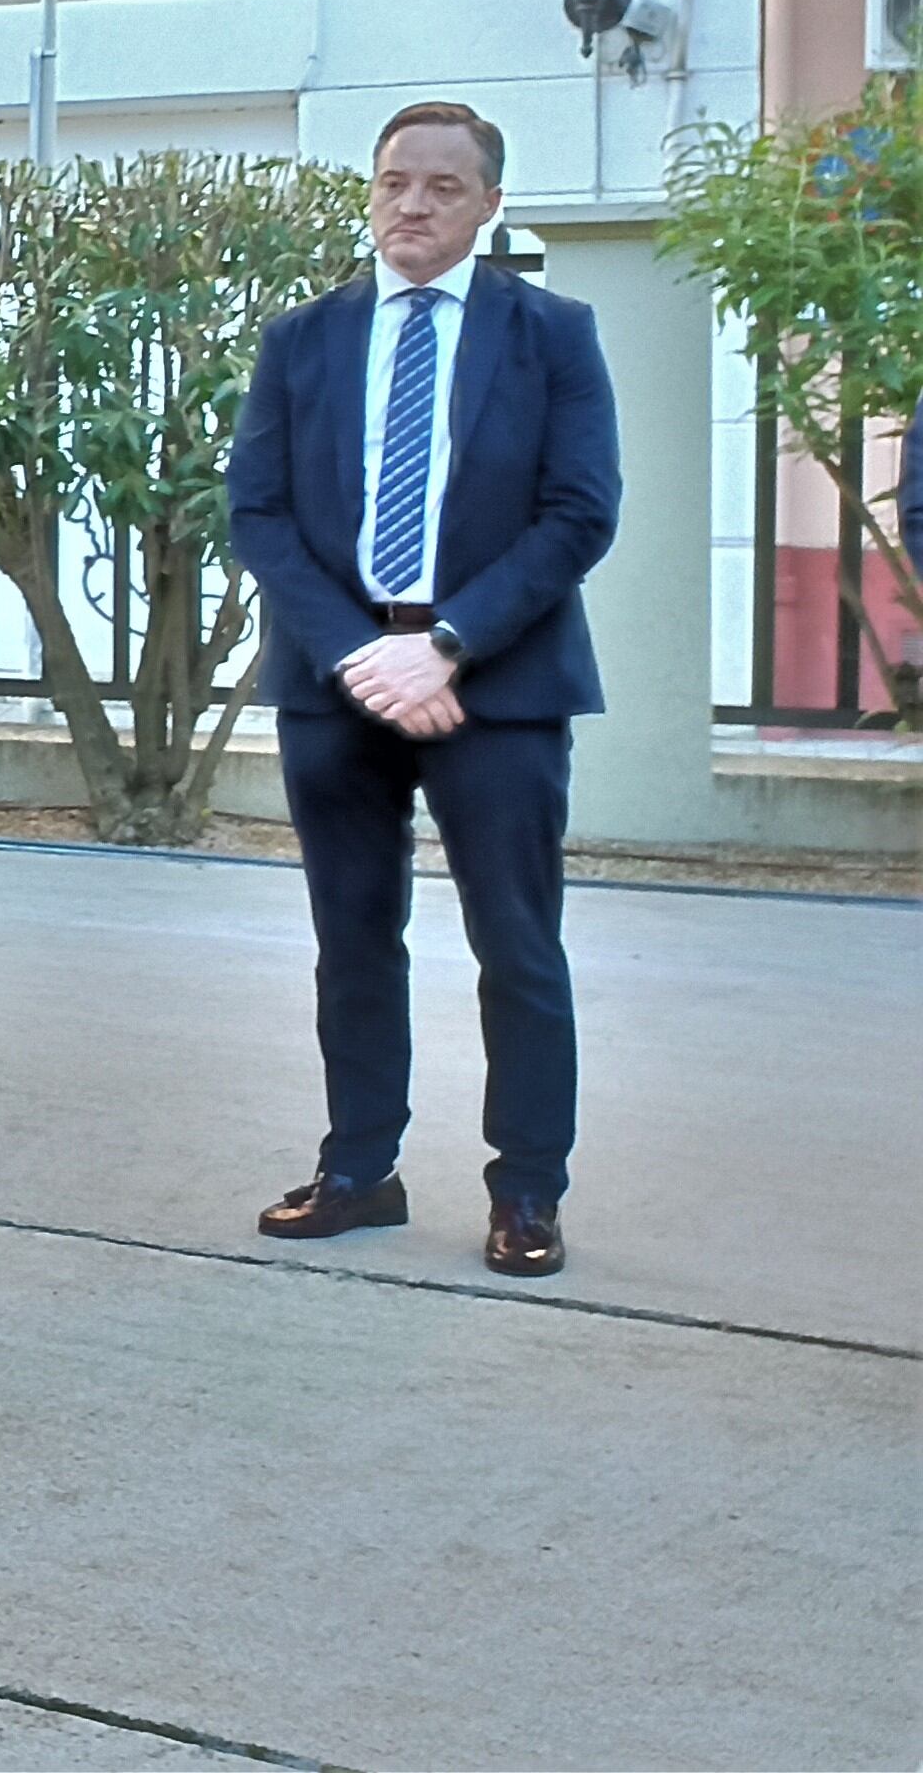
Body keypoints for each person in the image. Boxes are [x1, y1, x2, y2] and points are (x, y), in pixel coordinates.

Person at [227, 101, 617, 1279]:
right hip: (334, 677)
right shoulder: (302, 337)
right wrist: (360, 651)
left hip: (493, 685)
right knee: (350, 939)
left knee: (517, 944)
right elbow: (259, 511)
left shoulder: (551, 331)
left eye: (443, 186)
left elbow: (577, 512)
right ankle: (358, 1169)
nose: (412, 202)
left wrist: (444, 644)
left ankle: (527, 1189)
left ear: (488, 203)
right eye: (394, 180)